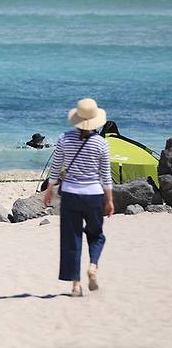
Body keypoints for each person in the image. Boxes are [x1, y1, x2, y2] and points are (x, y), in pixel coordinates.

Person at [44, 98, 114, 297]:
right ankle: (93, 266)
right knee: (96, 235)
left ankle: (76, 285)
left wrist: (49, 189)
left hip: (71, 195)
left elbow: (56, 167)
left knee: (71, 239)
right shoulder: (101, 143)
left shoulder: (64, 138)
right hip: (94, 195)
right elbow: (106, 176)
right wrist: (109, 200)